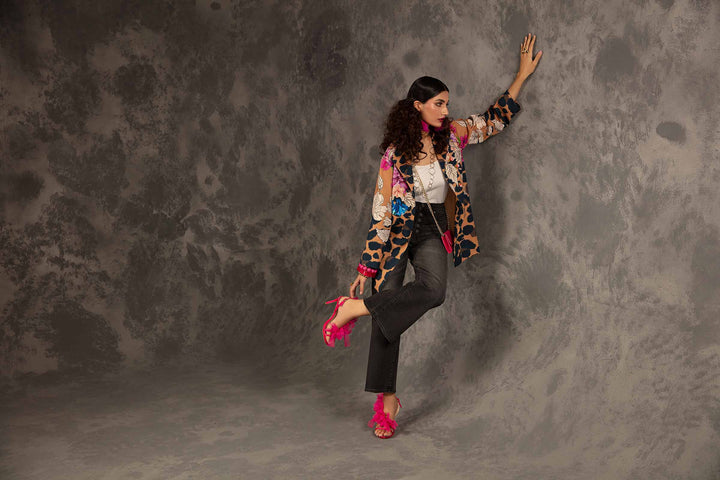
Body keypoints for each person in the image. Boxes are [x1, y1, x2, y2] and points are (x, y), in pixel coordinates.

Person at [322, 34, 542, 439]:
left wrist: (521, 77)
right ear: (417, 106)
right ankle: (387, 404)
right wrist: (366, 266)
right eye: (438, 103)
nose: (446, 110)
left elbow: (491, 121)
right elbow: (382, 211)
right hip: (397, 232)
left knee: (432, 291)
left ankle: (354, 309)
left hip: (434, 225)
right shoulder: (394, 154)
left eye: (447, 103)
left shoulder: (453, 135)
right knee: (389, 305)